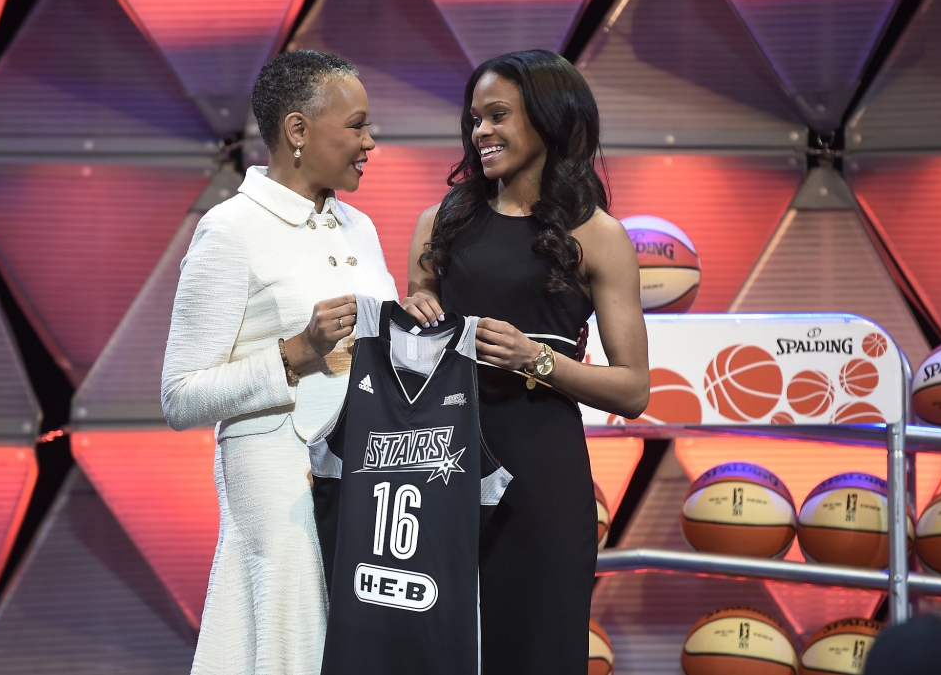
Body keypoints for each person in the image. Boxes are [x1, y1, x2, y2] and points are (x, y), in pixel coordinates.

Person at [404, 49, 650, 674]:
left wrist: (535, 358)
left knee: (537, 651)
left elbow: (632, 389)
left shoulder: (598, 235)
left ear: (547, 119)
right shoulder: (439, 223)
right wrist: (418, 309)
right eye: (474, 119)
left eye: (497, 115)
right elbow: (411, 337)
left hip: (541, 473)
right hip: (436, 465)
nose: (480, 131)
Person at [161, 50, 398, 675]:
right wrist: (295, 353)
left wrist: (412, 323)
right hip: (280, 484)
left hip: (372, 478)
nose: (369, 142)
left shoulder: (361, 228)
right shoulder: (230, 229)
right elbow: (181, 395)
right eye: (357, 126)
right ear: (297, 131)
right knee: (292, 649)